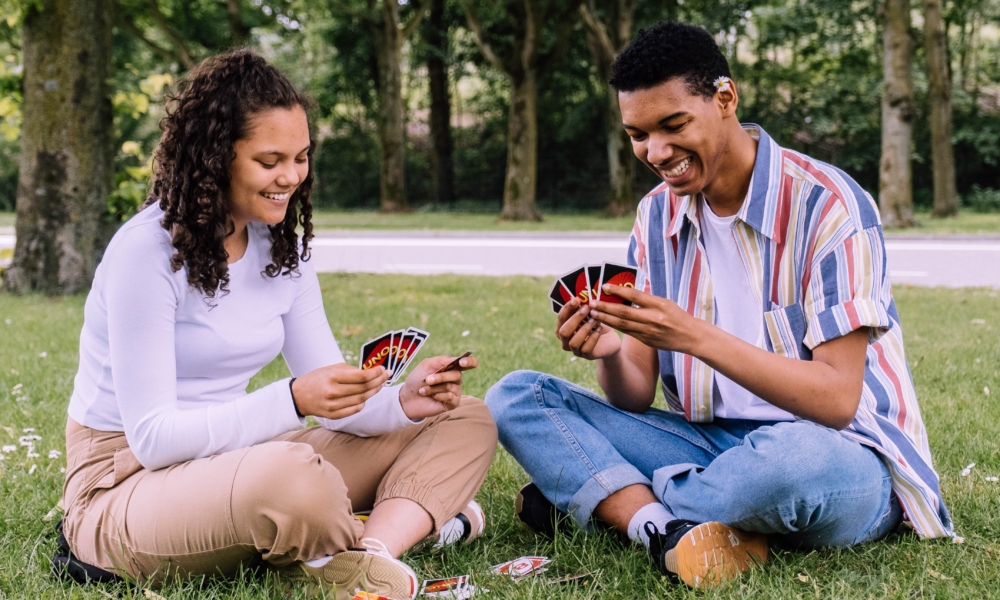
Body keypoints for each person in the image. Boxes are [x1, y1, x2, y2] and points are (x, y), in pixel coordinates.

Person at [486, 22, 952, 588]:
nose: (656, 152)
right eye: (637, 134)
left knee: (787, 466)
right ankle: (661, 528)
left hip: (839, 455)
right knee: (517, 396)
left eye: (673, 125)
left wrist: (691, 335)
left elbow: (835, 399)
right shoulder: (656, 217)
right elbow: (632, 395)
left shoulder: (827, 205)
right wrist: (610, 352)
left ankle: (611, 497)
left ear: (725, 98)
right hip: (707, 444)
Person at [61, 49, 497, 600]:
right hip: (125, 480)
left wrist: (404, 403)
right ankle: (403, 521)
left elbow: (329, 389)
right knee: (293, 478)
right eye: (270, 162)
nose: (290, 177)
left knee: (467, 419)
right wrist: (292, 401)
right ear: (216, 157)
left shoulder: (280, 246)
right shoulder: (145, 253)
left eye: (301, 157)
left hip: (237, 460)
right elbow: (153, 439)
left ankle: (368, 553)